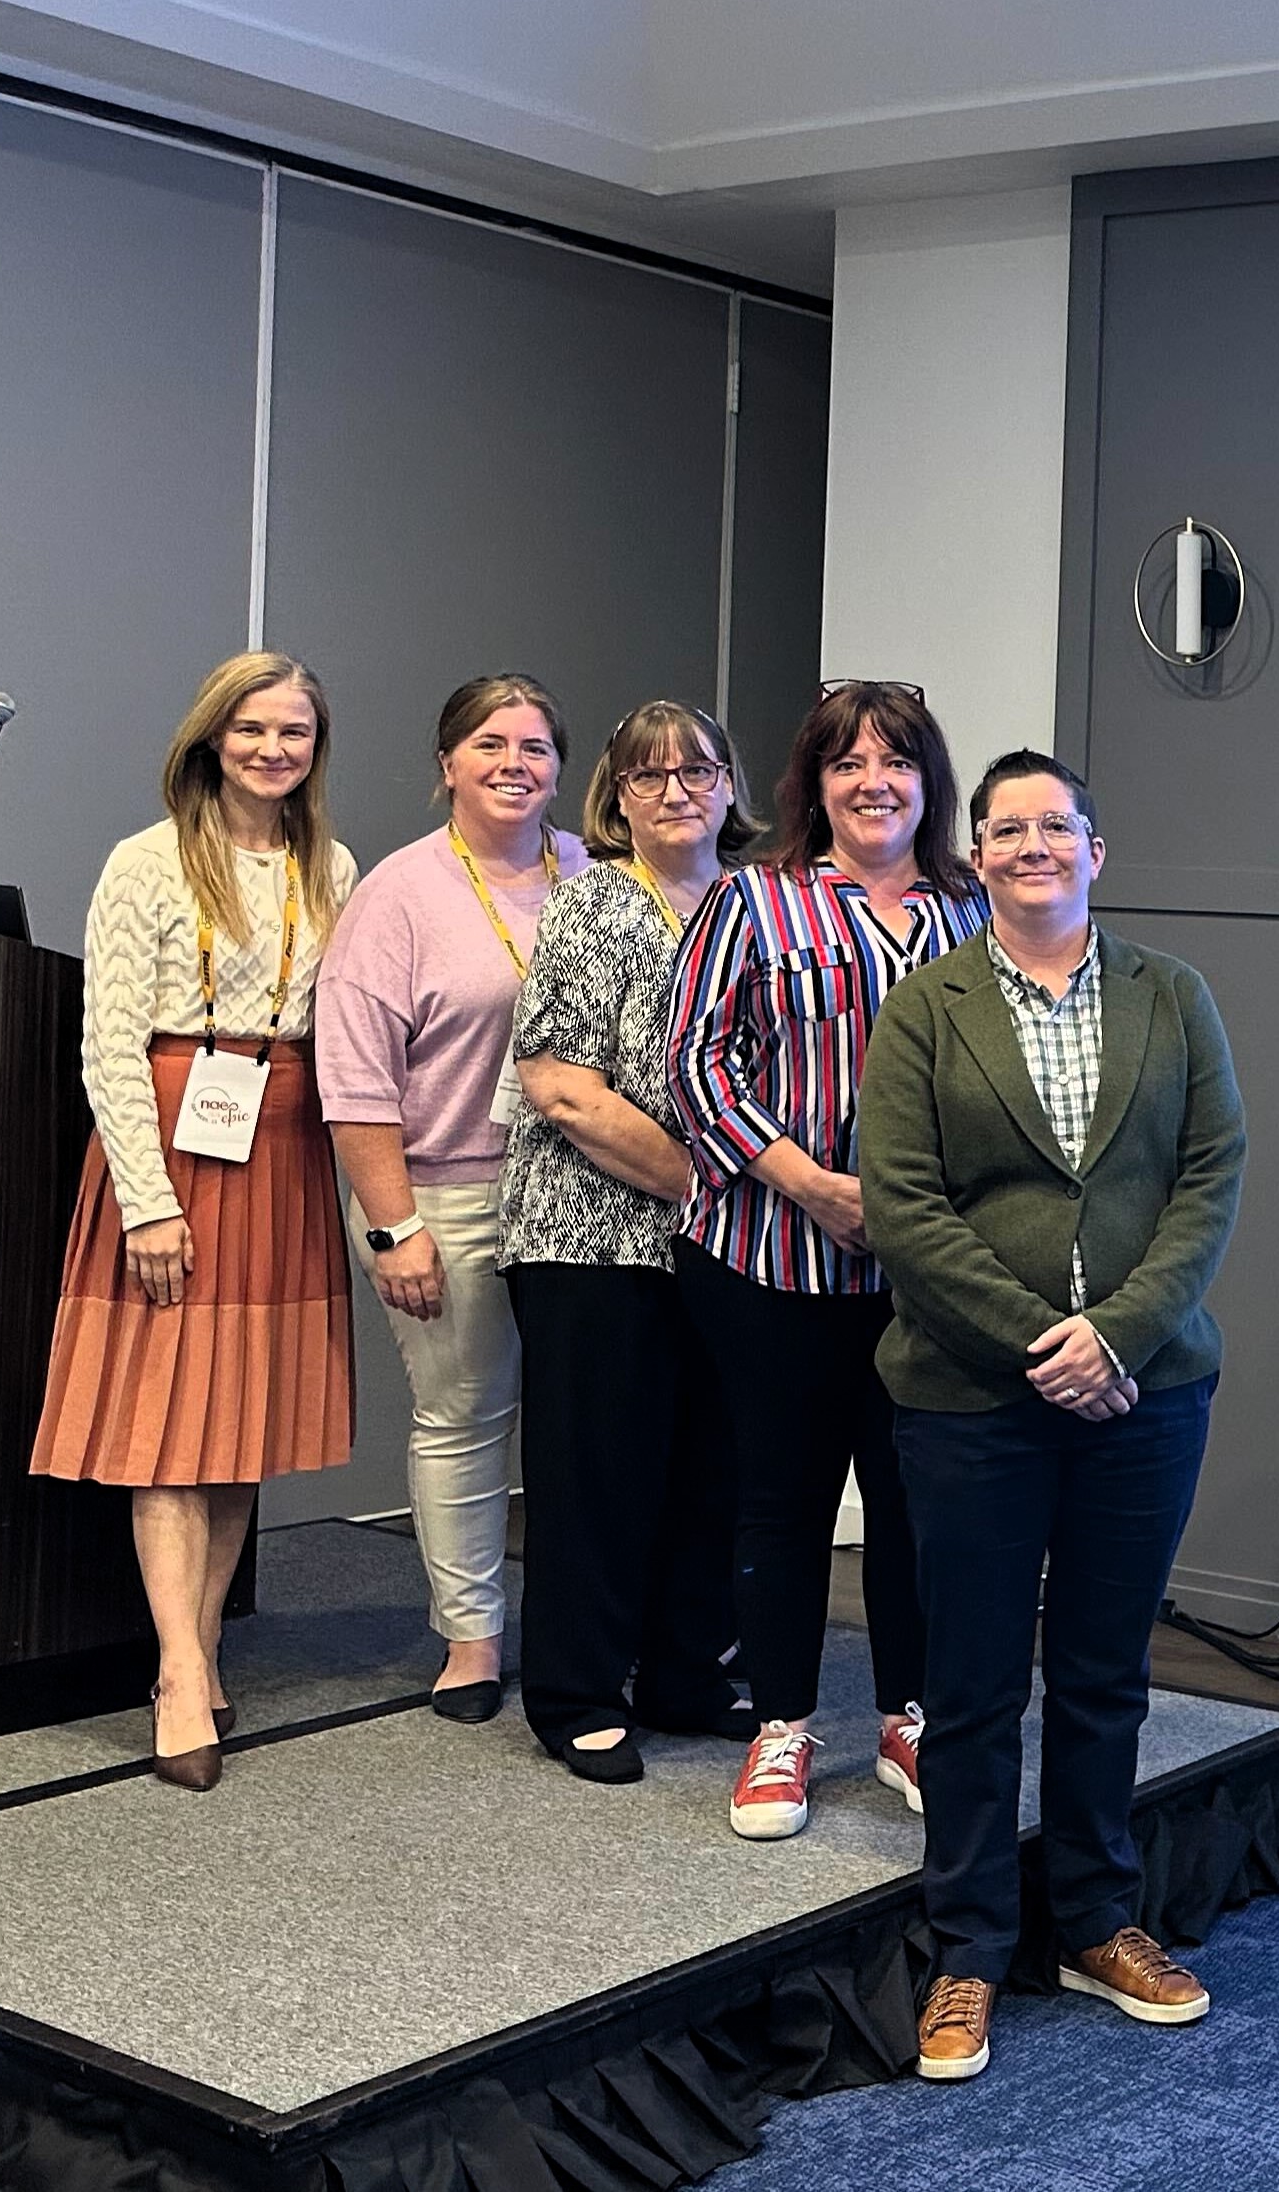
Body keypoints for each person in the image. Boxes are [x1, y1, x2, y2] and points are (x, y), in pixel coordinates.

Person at [856, 748, 1247, 2084]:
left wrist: (1117, 1335)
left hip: (1146, 1390)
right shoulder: (924, 1009)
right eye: (1006, 826)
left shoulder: (1170, 995)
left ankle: (1091, 1919)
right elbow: (902, 1205)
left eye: (1055, 825)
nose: (1032, 845)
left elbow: (1210, 1175)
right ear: (978, 855)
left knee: (1099, 1675)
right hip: (971, 1395)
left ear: (1095, 849)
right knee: (967, 1685)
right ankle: (967, 1943)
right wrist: (1045, 1344)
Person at [31, 651, 359, 1792]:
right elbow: (107, 1043)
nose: (274, 749)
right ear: (211, 739)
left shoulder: (333, 865)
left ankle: (203, 1640)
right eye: (253, 729)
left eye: (296, 734)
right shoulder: (148, 860)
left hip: (283, 1148)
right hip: (177, 1138)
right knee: (172, 1420)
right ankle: (177, 1671)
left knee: (240, 1421)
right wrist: (147, 1202)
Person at [667, 680, 988, 1841]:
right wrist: (808, 1181)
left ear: (926, 783)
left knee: (914, 1503)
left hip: (925, 1277)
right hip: (770, 1259)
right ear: (813, 781)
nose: (872, 781)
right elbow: (697, 1064)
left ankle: (909, 1716)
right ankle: (784, 1728)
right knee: (785, 1503)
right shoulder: (754, 902)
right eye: (846, 761)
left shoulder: (970, 909)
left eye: (895, 761)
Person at [317, 674, 587, 1720]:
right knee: (466, 1415)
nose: (513, 761)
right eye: (488, 742)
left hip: (585, 1195)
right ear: (447, 765)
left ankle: (587, 1624)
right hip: (446, 1191)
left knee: (585, 1425)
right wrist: (395, 1226)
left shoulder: (594, 878)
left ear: (561, 767)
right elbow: (353, 1077)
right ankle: (470, 1641)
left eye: (534, 744)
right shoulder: (400, 893)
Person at [498, 702, 758, 1781]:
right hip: (590, 1237)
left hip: (724, 1246)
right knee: (594, 1476)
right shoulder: (591, 909)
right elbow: (559, 1085)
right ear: (614, 797)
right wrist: (708, 1183)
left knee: (710, 1472)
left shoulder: (757, 905)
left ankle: (687, 1672)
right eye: (646, 777)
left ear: (730, 785)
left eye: (695, 770)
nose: (674, 792)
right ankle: (577, 1691)